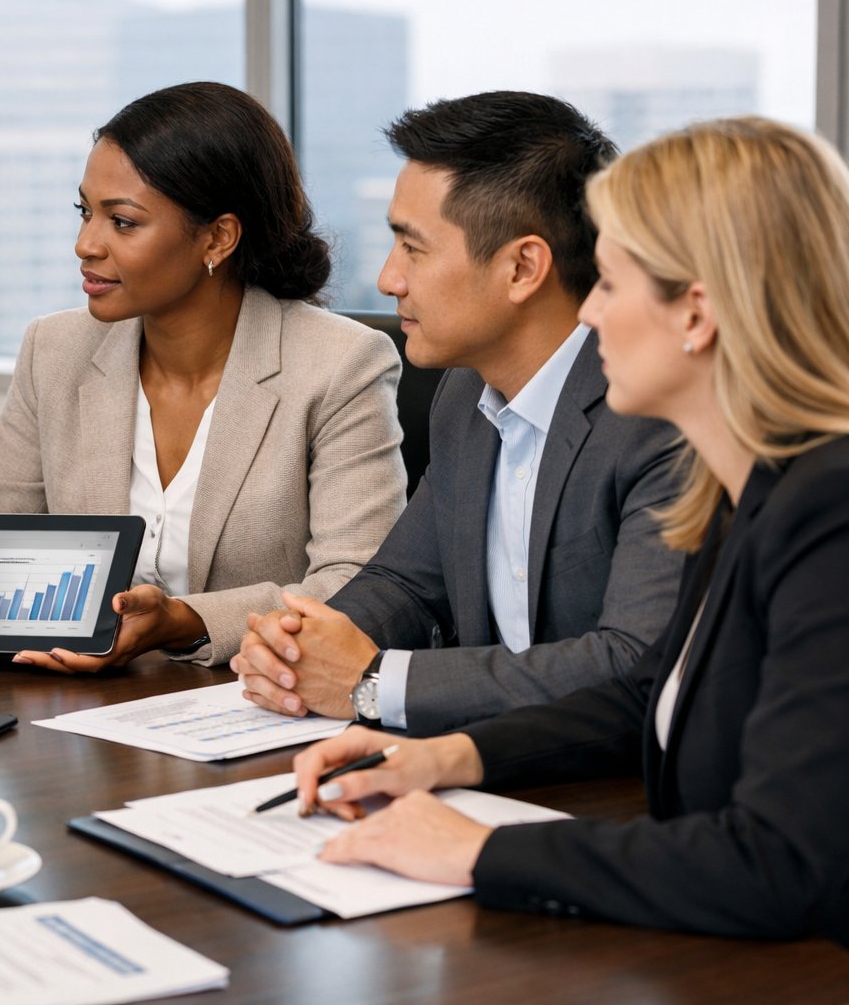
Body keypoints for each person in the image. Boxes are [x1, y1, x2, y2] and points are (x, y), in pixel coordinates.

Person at [291, 116, 849, 943]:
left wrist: (485, 851)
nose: (585, 313)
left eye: (611, 285)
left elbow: (780, 863)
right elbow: (647, 692)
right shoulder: (749, 489)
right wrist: (452, 757)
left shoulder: (827, 513)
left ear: (696, 315)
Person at [0, 81, 407, 671]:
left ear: (218, 237)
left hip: (259, 701)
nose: (86, 244)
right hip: (78, 706)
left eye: (123, 222)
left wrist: (184, 621)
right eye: (85, 212)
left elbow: (360, 584)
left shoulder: (341, 364)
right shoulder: (55, 349)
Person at [234, 91, 684, 733]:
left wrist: (373, 684)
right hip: (486, 761)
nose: (389, 280)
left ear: (522, 267)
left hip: (612, 787)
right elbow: (408, 582)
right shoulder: (463, 394)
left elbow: (636, 660)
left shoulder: (653, 413)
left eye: (413, 248)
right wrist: (298, 644)